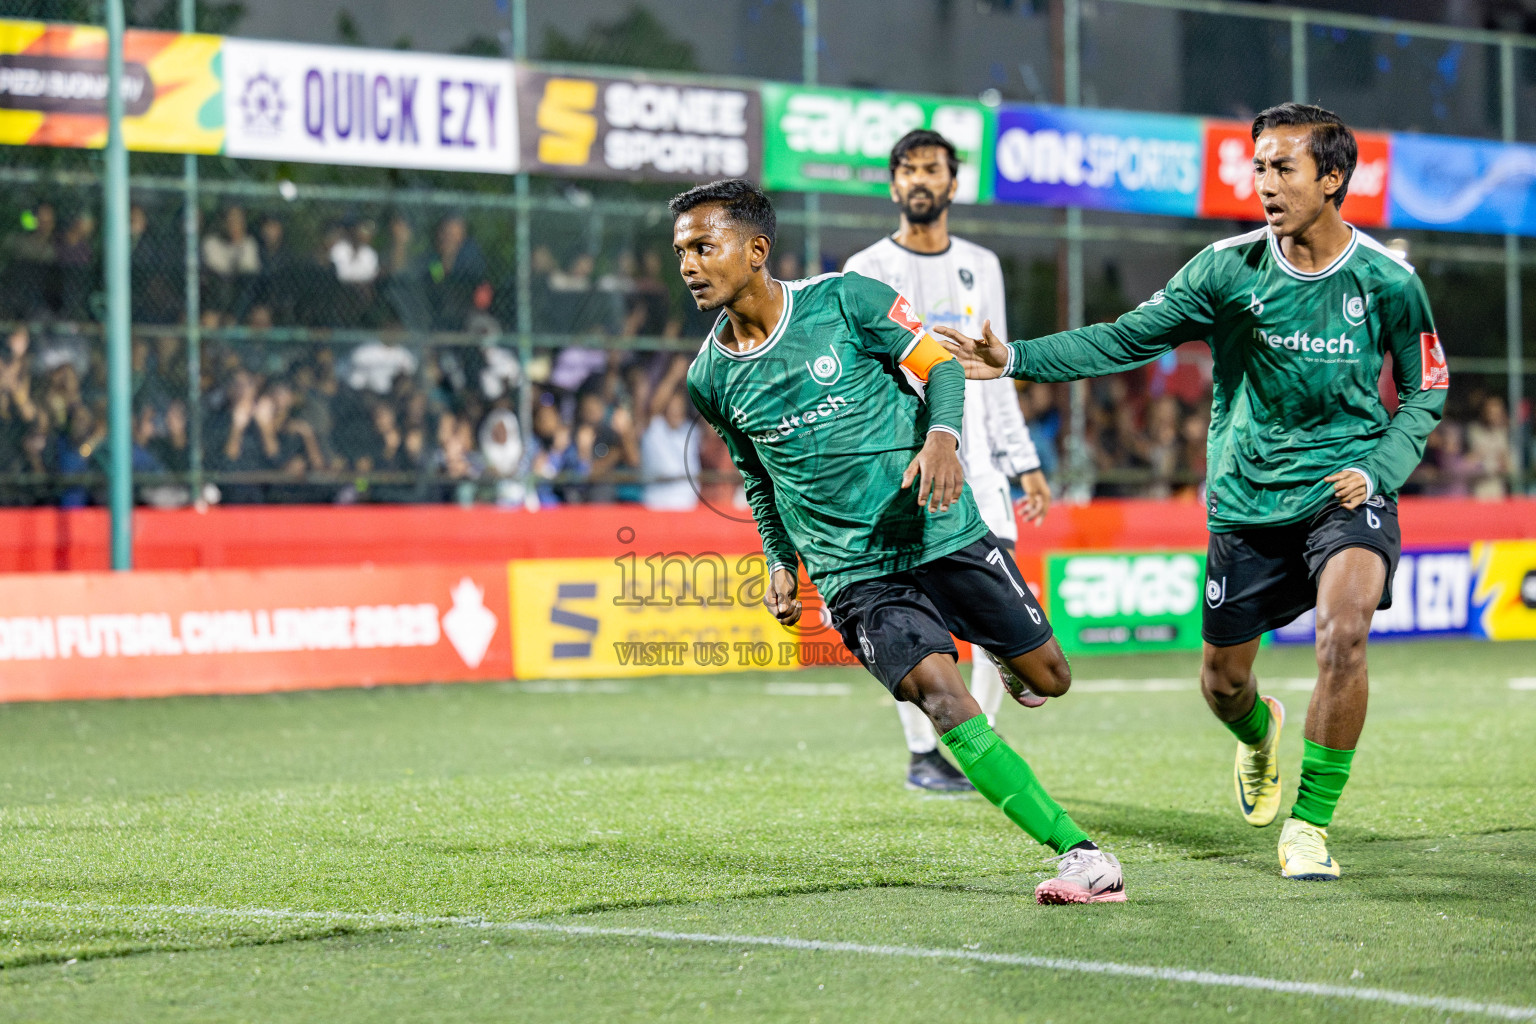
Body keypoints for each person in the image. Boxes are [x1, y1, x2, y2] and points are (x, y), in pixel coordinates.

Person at [935, 103, 1447, 882]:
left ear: (1333, 177)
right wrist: (1014, 359)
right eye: (1260, 167)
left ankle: (1308, 827)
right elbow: (1123, 337)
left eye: (1284, 168)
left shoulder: (1388, 282)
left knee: (1344, 634)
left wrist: (1380, 467)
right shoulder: (1225, 270)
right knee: (1223, 682)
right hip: (1245, 502)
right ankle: (1256, 735)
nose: (1265, 184)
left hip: (1346, 493)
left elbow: (1424, 391)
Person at [675, 178, 1124, 904]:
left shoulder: (846, 301)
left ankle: (1010, 660)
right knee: (943, 701)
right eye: (682, 252)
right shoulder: (710, 379)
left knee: (1050, 678)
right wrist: (780, 560)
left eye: (704, 246)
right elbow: (758, 479)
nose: (690, 264)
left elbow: (940, 366)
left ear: (756, 249)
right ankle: (1081, 855)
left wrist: (943, 438)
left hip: (939, 524)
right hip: (854, 574)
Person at [843, 129, 1051, 793]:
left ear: (953, 184)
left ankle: (971, 746)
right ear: (893, 184)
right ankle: (924, 756)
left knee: (998, 619)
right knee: (911, 615)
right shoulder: (864, 267)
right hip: (903, 469)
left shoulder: (981, 265)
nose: (920, 180)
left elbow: (998, 367)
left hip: (980, 467)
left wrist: (1024, 462)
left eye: (932, 169)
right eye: (907, 170)